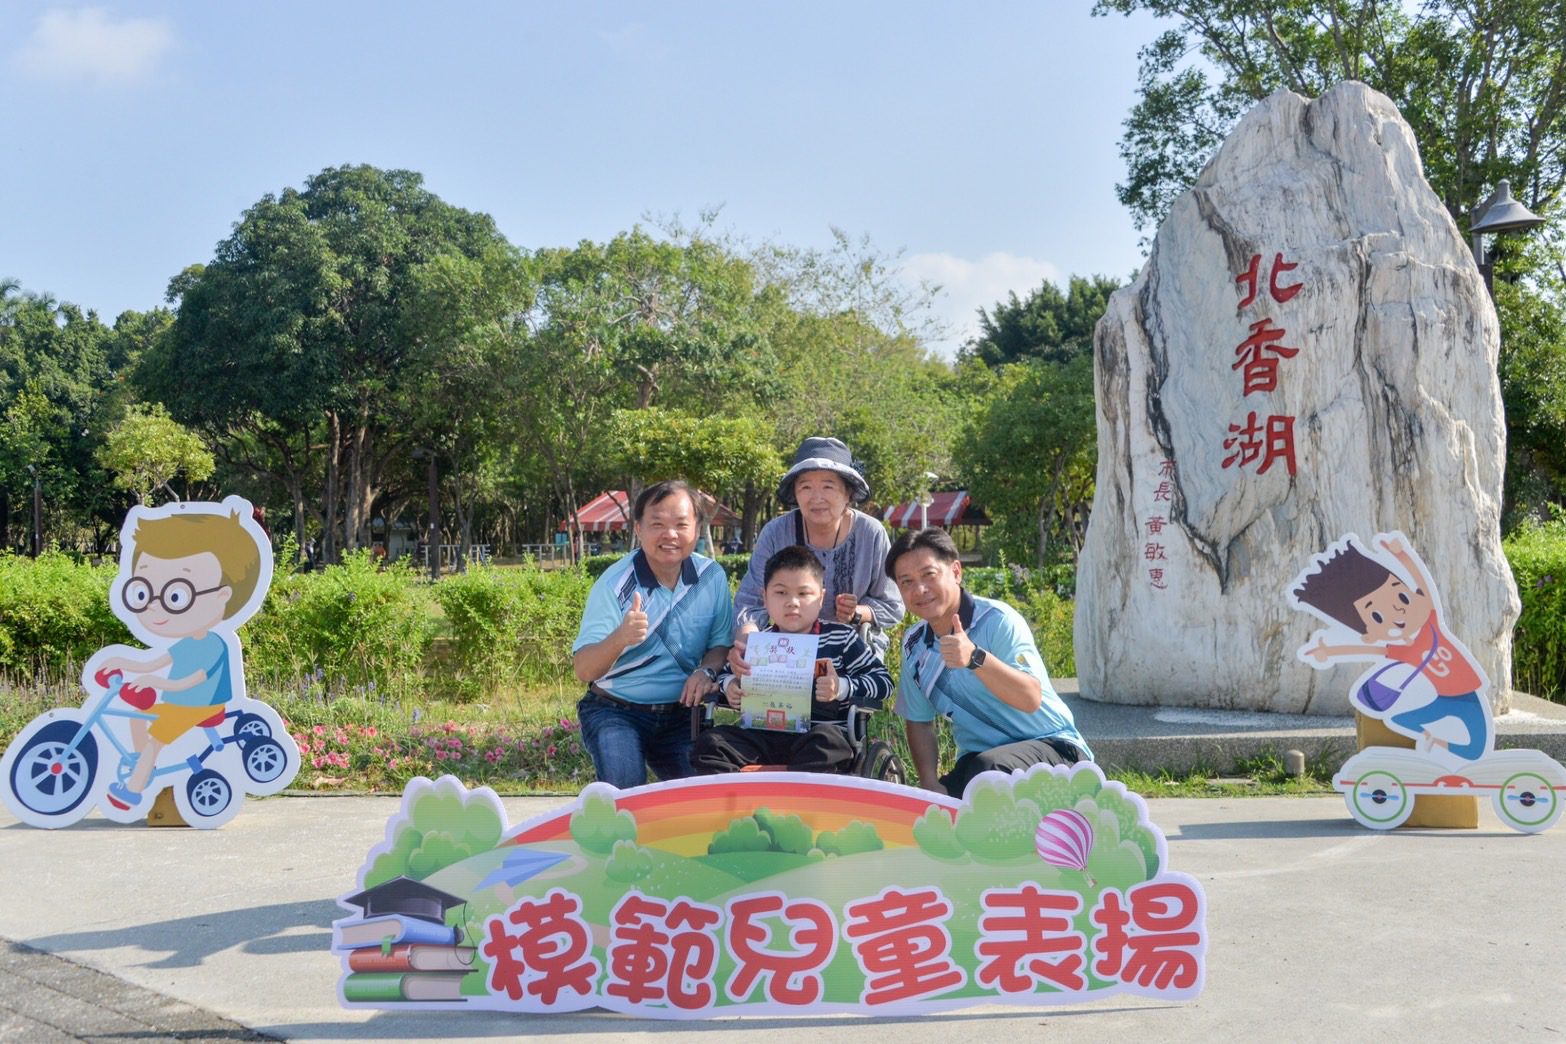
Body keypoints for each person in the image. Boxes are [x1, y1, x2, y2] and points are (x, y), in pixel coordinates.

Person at [887, 527, 1091, 798]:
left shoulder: (998, 620)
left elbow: (1030, 698)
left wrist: (975, 658)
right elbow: (919, 721)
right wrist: (930, 785)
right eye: (907, 582)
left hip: (1055, 749)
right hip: (979, 763)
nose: (920, 590)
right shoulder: (914, 645)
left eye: (929, 575)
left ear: (956, 572)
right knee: (935, 809)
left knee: (987, 775)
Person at [98, 509, 266, 809]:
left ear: (222, 595)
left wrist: (155, 681)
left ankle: (132, 790)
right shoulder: (186, 642)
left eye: (176, 596)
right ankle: (144, 764)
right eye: (144, 592)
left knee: (156, 739)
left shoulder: (215, 645)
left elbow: (195, 680)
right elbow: (154, 662)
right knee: (138, 716)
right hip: (181, 704)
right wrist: (124, 664)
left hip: (201, 705)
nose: (155, 607)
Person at [571, 480, 733, 788]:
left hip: (682, 715)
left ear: (696, 530)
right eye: (657, 523)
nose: (669, 535)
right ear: (639, 529)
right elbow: (584, 669)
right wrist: (621, 637)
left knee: (701, 800)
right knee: (625, 797)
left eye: (680, 524)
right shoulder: (615, 585)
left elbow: (721, 643)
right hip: (615, 711)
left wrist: (706, 670)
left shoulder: (711, 577)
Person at [693, 545, 892, 775]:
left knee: (829, 743)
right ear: (764, 598)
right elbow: (727, 674)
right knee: (711, 743)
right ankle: (741, 804)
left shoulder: (841, 638)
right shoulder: (758, 643)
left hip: (817, 736)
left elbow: (883, 682)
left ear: (821, 598)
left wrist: (842, 687)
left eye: (803, 593)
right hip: (763, 735)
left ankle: (798, 799)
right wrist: (731, 686)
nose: (792, 602)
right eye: (781, 593)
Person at [1294, 534, 1491, 762]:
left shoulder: (1431, 626)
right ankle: (1433, 744)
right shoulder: (1401, 651)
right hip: (1443, 699)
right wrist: (1329, 652)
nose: (1398, 609)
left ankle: (1440, 744)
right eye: (1377, 616)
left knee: (1475, 750)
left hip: (1467, 695)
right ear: (1370, 634)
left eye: (1403, 597)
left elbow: (1424, 587)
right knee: (1400, 720)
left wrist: (1403, 555)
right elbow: (1369, 651)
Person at [732, 437, 903, 669]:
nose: (816, 497)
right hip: (788, 650)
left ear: (848, 493)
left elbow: (893, 605)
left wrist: (856, 613)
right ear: (795, 494)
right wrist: (747, 643)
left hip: (851, 651)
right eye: (805, 487)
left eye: (828, 486)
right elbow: (749, 601)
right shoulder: (775, 532)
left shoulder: (871, 533)